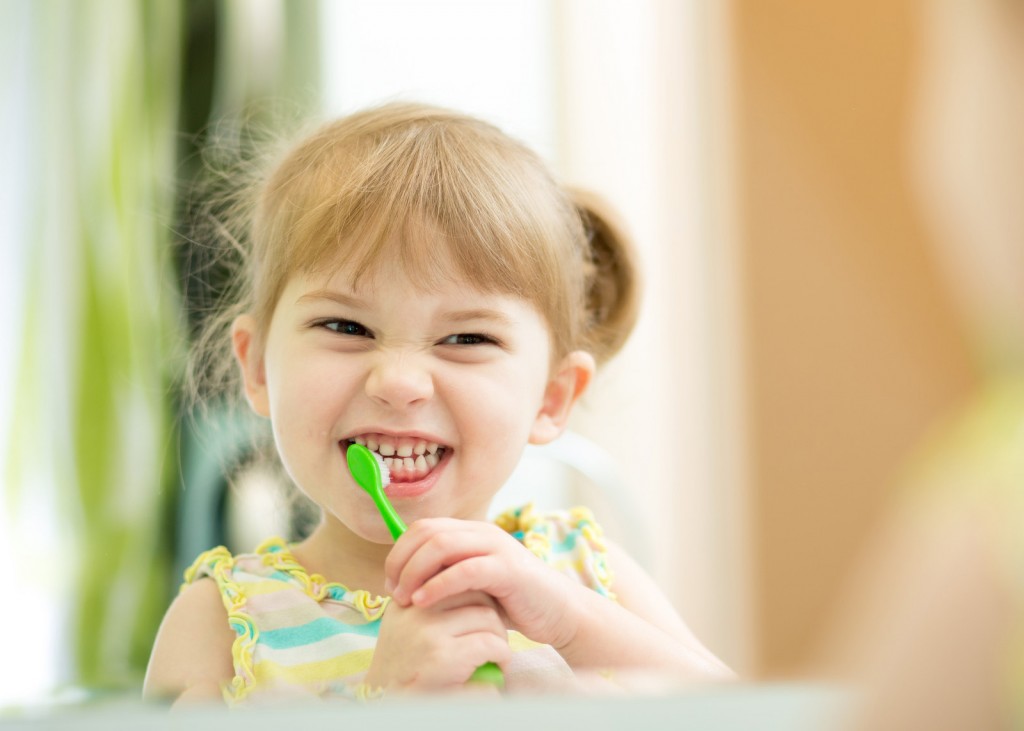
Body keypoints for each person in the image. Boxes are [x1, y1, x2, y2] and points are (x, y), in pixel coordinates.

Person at [143, 103, 733, 705]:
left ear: (552, 399)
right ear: (257, 366)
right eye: (346, 327)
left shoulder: (581, 574)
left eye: (467, 339)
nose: (399, 382)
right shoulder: (219, 624)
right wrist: (386, 704)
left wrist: (573, 625)